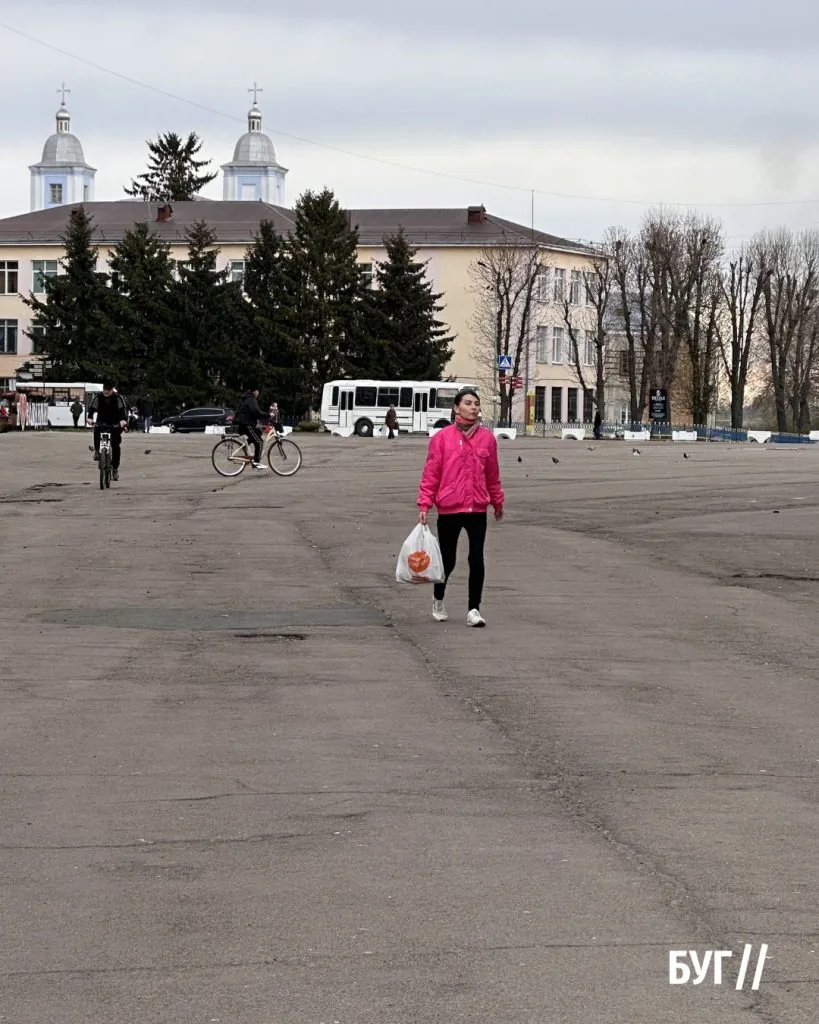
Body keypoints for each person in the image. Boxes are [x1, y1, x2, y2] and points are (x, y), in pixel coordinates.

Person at [417, 388, 504, 627]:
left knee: (476, 557)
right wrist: (425, 503)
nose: (473, 407)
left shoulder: (487, 439)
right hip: (449, 508)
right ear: (456, 408)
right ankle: (438, 598)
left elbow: (492, 475)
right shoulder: (442, 438)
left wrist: (497, 501)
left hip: (477, 508)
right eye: (468, 403)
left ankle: (474, 609)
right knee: (448, 560)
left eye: (476, 403)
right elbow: (431, 473)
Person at [87, 382, 128, 480]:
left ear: (112, 389)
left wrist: (123, 420)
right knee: (97, 430)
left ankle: (115, 469)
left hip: (115, 423)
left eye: (108, 390)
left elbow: (123, 410)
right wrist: (90, 418)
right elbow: (92, 408)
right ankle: (97, 451)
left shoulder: (118, 398)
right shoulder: (98, 397)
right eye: (105, 389)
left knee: (115, 446)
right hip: (101, 422)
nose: (106, 391)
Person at [233, 388, 270, 470]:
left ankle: (248, 451)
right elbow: (256, 412)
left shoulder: (247, 398)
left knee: (258, 434)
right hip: (245, 424)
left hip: (243, 424)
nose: (258, 393)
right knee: (259, 442)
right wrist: (268, 415)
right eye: (257, 391)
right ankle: (256, 463)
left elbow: (254, 414)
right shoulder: (251, 399)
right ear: (254, 392)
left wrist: (264, 417)